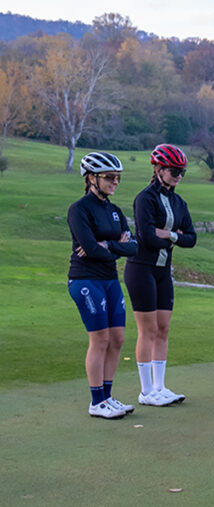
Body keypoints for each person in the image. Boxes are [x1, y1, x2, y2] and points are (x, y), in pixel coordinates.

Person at [67, 152, 139, 419]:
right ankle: (97, 401)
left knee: (117, 339)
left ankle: (108, 397)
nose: (115, 182)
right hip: (85, 280)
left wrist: (108, 245)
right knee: (100, 339)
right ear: (91, 178)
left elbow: (133, 246)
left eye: (118, 178)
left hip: (110, 280)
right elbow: (88, 249)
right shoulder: (79, 209)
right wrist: (113, 247)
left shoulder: (115, 211)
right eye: (109, 177)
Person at [125, 144, 196, 407]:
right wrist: (172, 237)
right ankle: (146, 392)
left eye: (182, 172)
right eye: (174, 170)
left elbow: (191, 238)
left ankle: (160, 386)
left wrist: (170, 235)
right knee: (148, 329)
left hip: (163, 271)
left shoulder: (179, 202)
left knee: (163, 328)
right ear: (158, 169)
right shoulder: (145, 198)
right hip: (141, 268)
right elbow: (146, 237)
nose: (178, 175)